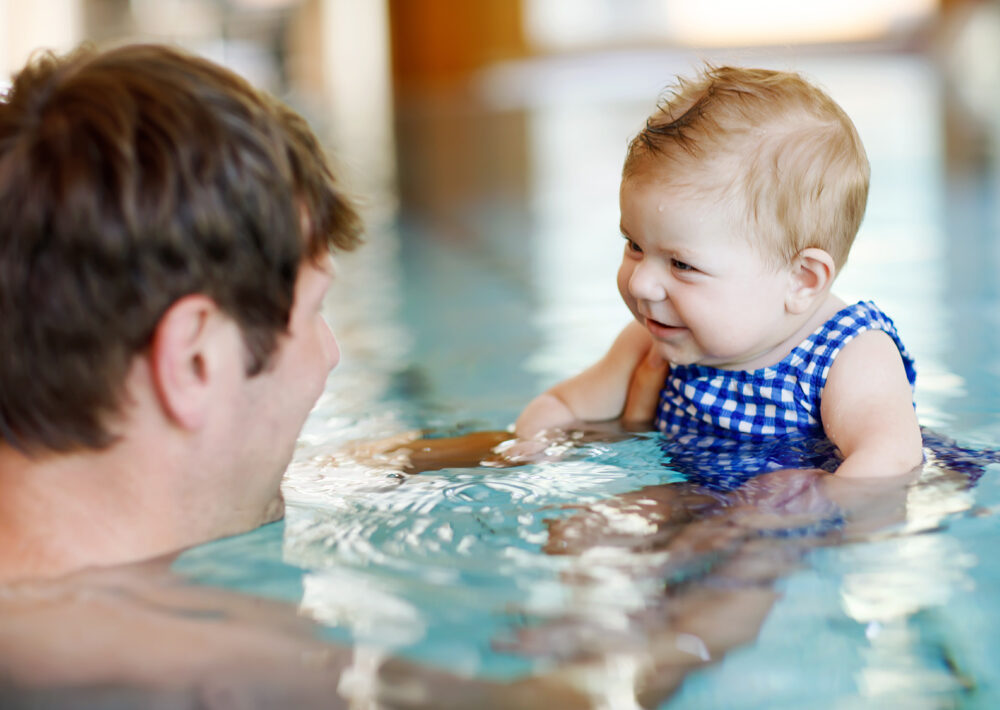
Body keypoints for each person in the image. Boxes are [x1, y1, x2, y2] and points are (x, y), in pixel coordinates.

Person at [0, 42, 361, 582]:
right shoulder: (184, 657)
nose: (330, 355)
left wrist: (522, 449)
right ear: (195, 358)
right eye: (313, 311)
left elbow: (332, 470)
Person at [513, 65, 923, 481]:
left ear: (802, 279)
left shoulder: (848, 356)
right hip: (692, 500)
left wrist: (813, 508)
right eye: (634, 245)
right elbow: (562, 407)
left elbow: (891, 458)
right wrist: (535, 446)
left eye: (682, 264)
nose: (640, 282)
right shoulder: (650, 344)